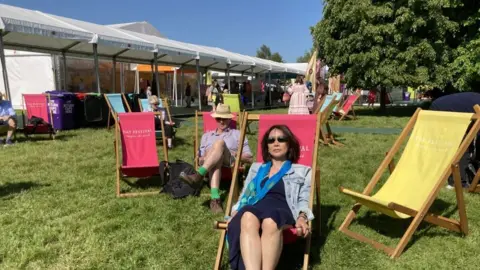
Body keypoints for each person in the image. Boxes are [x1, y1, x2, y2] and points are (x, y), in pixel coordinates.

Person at [226, 125, 312, 270]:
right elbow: (245, 194)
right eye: (271, 140)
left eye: (281, 139)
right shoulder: (256, 168)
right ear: (267, 145)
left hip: (281, 210)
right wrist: (235, 209)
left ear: (289, 143)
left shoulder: (302, 171)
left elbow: (304, 199)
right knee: (247, 215)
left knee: (271, 220)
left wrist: (302, 217)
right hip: (255, 207)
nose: (276, 143)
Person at [179, 104, 253, 213]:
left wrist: (234, 153)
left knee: (219, 144)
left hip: (230, 161)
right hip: (212, 162)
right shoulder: (206, 136)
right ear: (215, 119)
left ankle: (198, 176)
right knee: (216, 156)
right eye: (219, 119)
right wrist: (202, 159)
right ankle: (215, 199)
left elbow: (250, 158)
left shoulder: (237, 134)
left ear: (229, 119)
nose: (222, 122)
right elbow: (200, 159)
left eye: (224, 119)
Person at [429, 91, 480, 188]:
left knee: (461, 144)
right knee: (463, 146)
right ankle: (458, 182)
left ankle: (456, 179)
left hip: (441, 106)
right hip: (443, 111)